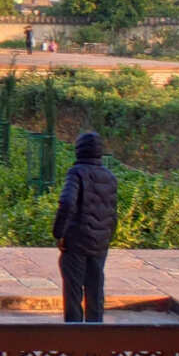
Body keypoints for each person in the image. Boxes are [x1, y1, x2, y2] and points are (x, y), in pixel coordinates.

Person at [52, 130, 118, 322]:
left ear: (79, 150)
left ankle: (75, 340)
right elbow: (113, 213)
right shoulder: (110, 176)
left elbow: (67, 203)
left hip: (76, 242)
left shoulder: (76, 172)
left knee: (73, 292)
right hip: (100, 243)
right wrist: (107, 237)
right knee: (95, 291)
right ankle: (95, 340)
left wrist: (59, 234)